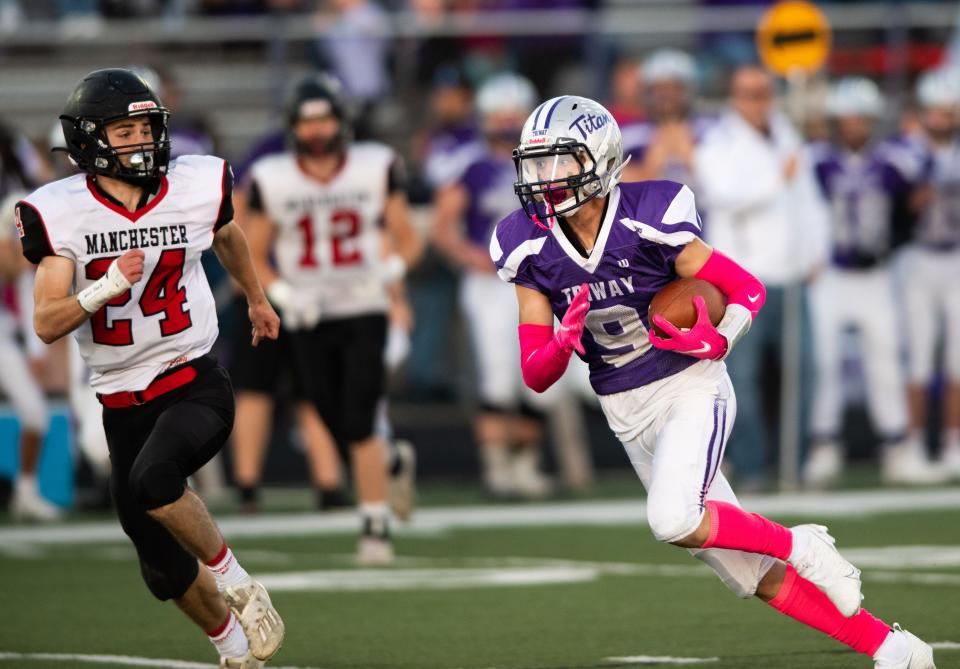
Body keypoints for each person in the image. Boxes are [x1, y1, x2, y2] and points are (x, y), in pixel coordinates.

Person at [492, 93, 935, 668]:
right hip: (624, 410)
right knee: (749, 574)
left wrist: (719, 338)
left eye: (559, 162)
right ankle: (895, 648)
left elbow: (747, 288)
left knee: (672, 517)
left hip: (689, 386)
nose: (544, 179)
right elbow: (536, 375)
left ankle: (803, 544)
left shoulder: (648, 213)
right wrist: (558, 343)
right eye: (535, 164)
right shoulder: (526, 244)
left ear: (599, 160)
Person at [16, 68, 284, 669]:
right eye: (124, 130)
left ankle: (240, 583)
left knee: (156, 480)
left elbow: (226, 233)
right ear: (88, 141)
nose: (140, 141)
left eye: (145, 128)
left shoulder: (194, 183)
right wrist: (103, 288)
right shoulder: (59, 212)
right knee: (161, 569)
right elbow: (46, 321)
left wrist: (257, 297)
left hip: (191, 375)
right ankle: (233, 647)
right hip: (117, 396)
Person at [245, 73, 421, 565]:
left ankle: (374, 526)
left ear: (342, 122)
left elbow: (407, 236)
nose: (317, 131)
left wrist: (391, 270)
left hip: (364, 306)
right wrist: (278, 292)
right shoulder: (272, 176)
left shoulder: (375, 165)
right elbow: (253, 251)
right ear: (293, 127)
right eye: (308, 122)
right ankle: (388, 462)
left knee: (361, 413)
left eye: (325, 119)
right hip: (305, 312)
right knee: (327, 414)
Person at [694, 65, 830, 489]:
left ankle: (797, 461)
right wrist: (776, 179)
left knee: (803, 371)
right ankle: (751, 466)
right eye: (749, 93)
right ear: (734, 96)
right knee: (742, 380)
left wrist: (815, 251)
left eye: (763, 92)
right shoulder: (719, 142)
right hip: (744, 280)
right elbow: (722, 196)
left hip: (792, 275)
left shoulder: (786, 133)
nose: (758, 101)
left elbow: (808, 200)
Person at [804, 77, 943, 487]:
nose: (853, 127)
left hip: (876, 274)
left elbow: (927, 178)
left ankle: (897, 447)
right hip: (829, 273)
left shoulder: (893, 161)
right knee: (823, 362)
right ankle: (824, 444)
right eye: (845, 119)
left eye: (860, 119)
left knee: (885, 361)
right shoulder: (815, 160)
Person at [432, 73, 555, 498]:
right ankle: (498, 466)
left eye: (513, 116)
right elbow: (443, 224)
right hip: (492, 283)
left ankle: (525, 464)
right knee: (498, 374)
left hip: (539, 278)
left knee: (538, 377)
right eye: (499, 116)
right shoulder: (473, 166)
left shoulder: (547, 162)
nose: (506, 124)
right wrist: (470, 255)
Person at [902, 67, 960, 480]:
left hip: (955, 256)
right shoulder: (907, 151)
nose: (941, 118)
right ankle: (915, 441)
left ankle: (954, 442)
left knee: (957, 357)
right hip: (917, 258)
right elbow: (898, 205)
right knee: (919, 356)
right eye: (935, 111)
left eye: (948, 111)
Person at [0, 190, 55, 522]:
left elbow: (21, 282)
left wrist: (36, 351)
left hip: (5, 336)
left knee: (35, 414)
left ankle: (25, 491)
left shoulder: (25, 252)